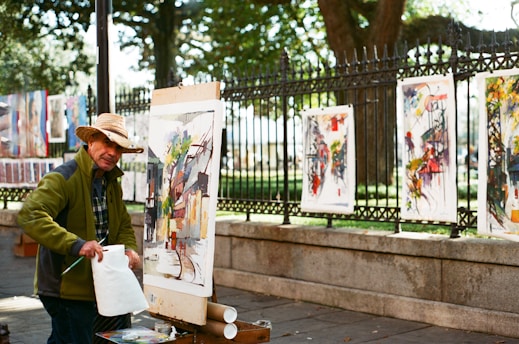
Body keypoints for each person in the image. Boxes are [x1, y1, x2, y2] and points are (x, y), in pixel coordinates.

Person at [17, 113, 144, 344]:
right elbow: (30, 215)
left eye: (119, 149)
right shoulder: (63, 177)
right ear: (91, 140)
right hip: (66, 288)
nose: (113, 153)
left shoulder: (110, 182)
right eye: (108, 144)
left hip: (104, 285)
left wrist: (129, 249)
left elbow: (123, 224)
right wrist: (77, 244)